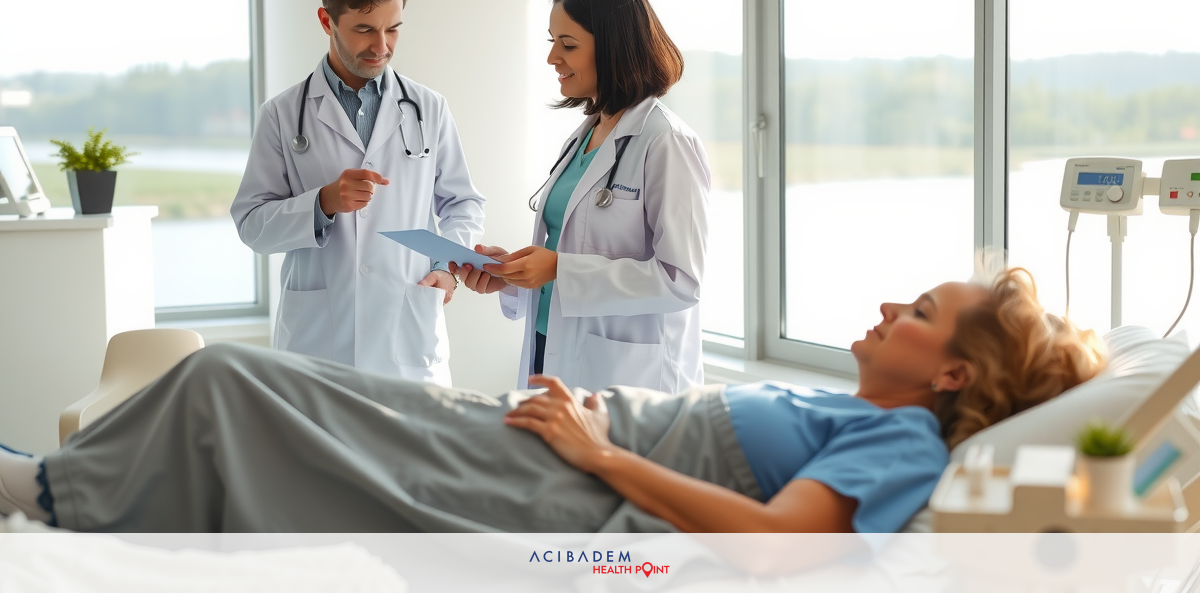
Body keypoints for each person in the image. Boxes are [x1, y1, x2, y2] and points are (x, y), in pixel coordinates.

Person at [0, 267, 1104, 534]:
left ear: (953, 374)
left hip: (563, 471)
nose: (884, 306)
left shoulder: (904, 440)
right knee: (239, 377)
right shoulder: (870, 412)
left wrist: (599, 450)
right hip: (560, 430)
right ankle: (56, 487)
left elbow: (783, 546)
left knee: (235, 376)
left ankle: (47, 496)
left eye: (915, 309)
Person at [230, 0, 485, 385]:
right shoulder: (281, 114)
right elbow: (252, 225)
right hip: (318, 345)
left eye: (393, 29)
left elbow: (464, 204)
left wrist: (446, 266)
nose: (381, 45)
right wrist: (323, 203)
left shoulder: (428, 108)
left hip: (408, 335)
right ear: (326, 20)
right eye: (365, 29)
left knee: (410, 451)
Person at [453, 0, 710, 394]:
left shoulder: (667, 142)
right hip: (548, 346)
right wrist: (513, 273)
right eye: (552, 41)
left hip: (625, 376)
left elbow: (681, 281)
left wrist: (558, 269)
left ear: (614, 49)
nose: (553, 57)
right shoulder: (584, 136)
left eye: (568, 45)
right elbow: (567, 249)